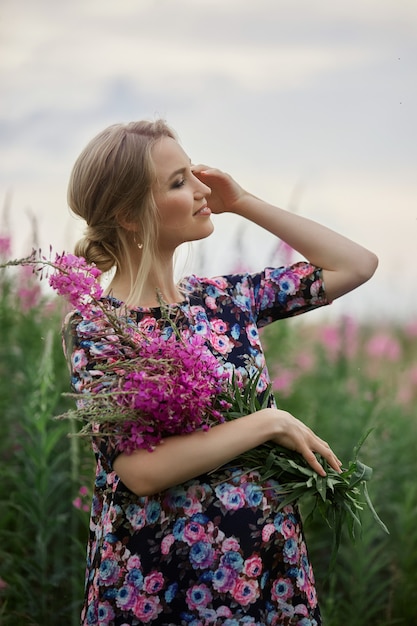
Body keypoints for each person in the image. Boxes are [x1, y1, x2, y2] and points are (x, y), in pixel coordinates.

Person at [64, 119, 378, 626]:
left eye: (193, 173)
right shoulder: (100, 326)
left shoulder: (224, 299)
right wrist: (266, 423)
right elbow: (140, 472)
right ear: (127, 215)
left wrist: (245, 201)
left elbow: (356, 265)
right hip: (159, 580)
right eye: (179, 182)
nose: (203, 189)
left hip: (264, 570)